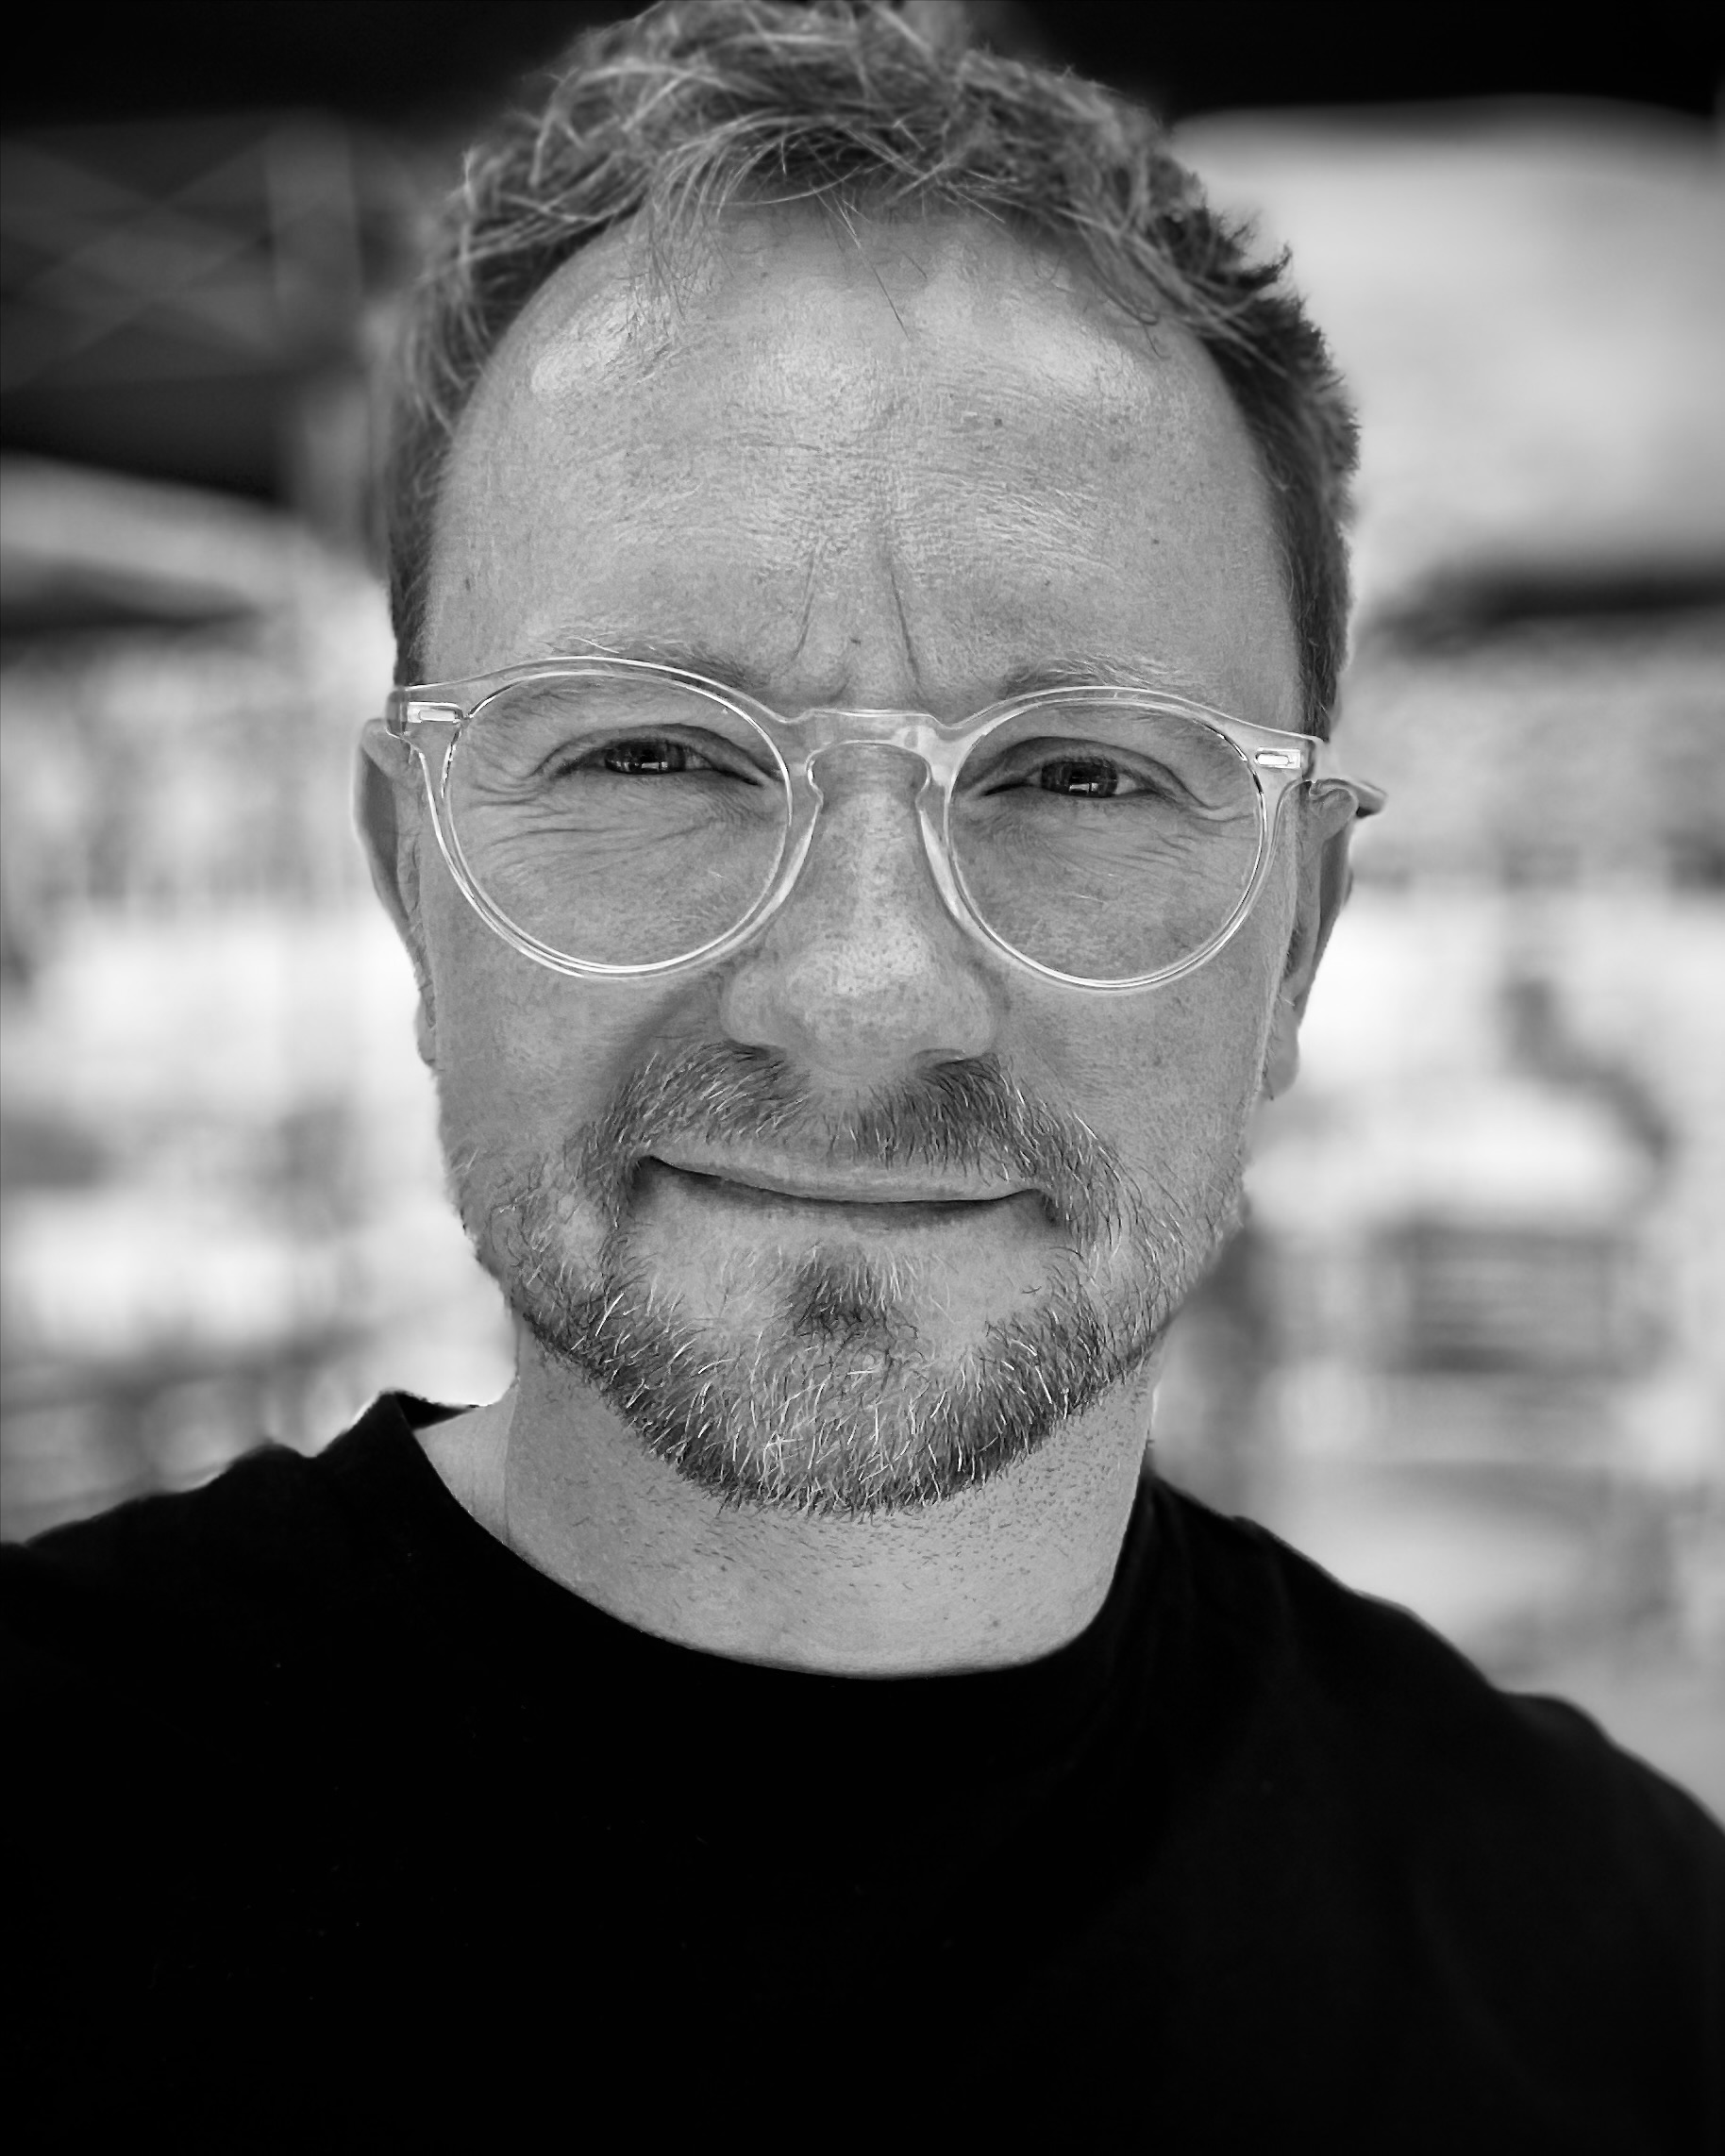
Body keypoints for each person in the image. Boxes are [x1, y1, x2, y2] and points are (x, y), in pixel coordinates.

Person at [8, 3, 1720, 2145]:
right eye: (653, 752)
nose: (863, 992)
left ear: (1294, 933)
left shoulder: (1620, 1980)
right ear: (413, 876)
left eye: (1080, 773)